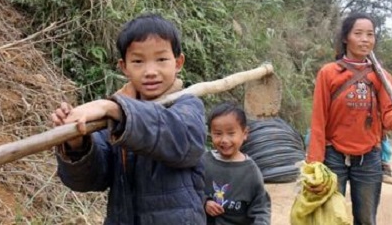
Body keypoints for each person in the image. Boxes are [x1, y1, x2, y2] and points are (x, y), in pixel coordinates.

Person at [51, 14, 207, 224]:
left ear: (178, 62)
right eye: (138, 61)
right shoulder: (114, 119)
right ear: (124, 67)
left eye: (161, 59)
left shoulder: (187, 106)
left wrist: (114, 108)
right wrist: (76, 142)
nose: (150, 72)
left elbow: (183, 143)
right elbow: (90, 180)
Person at [306, 12, 392, 225]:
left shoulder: (382, 76)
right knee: (328, 218)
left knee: (366, 219)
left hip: (369, 158)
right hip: (333, 156)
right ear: (346, 37)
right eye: (358, 33)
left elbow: (389, 115)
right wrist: (314, 164)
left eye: (370, 34)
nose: (365, 39)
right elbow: (319, 120)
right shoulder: (329, 73)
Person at [203, 102, 271, 225]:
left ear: (244, 134)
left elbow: (260, 209)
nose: (224, 140)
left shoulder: (251, 172)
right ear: (210, 133)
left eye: (231, 133)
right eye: (218, 133)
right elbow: (189, 190)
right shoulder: (203, 162)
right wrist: (204, 202)